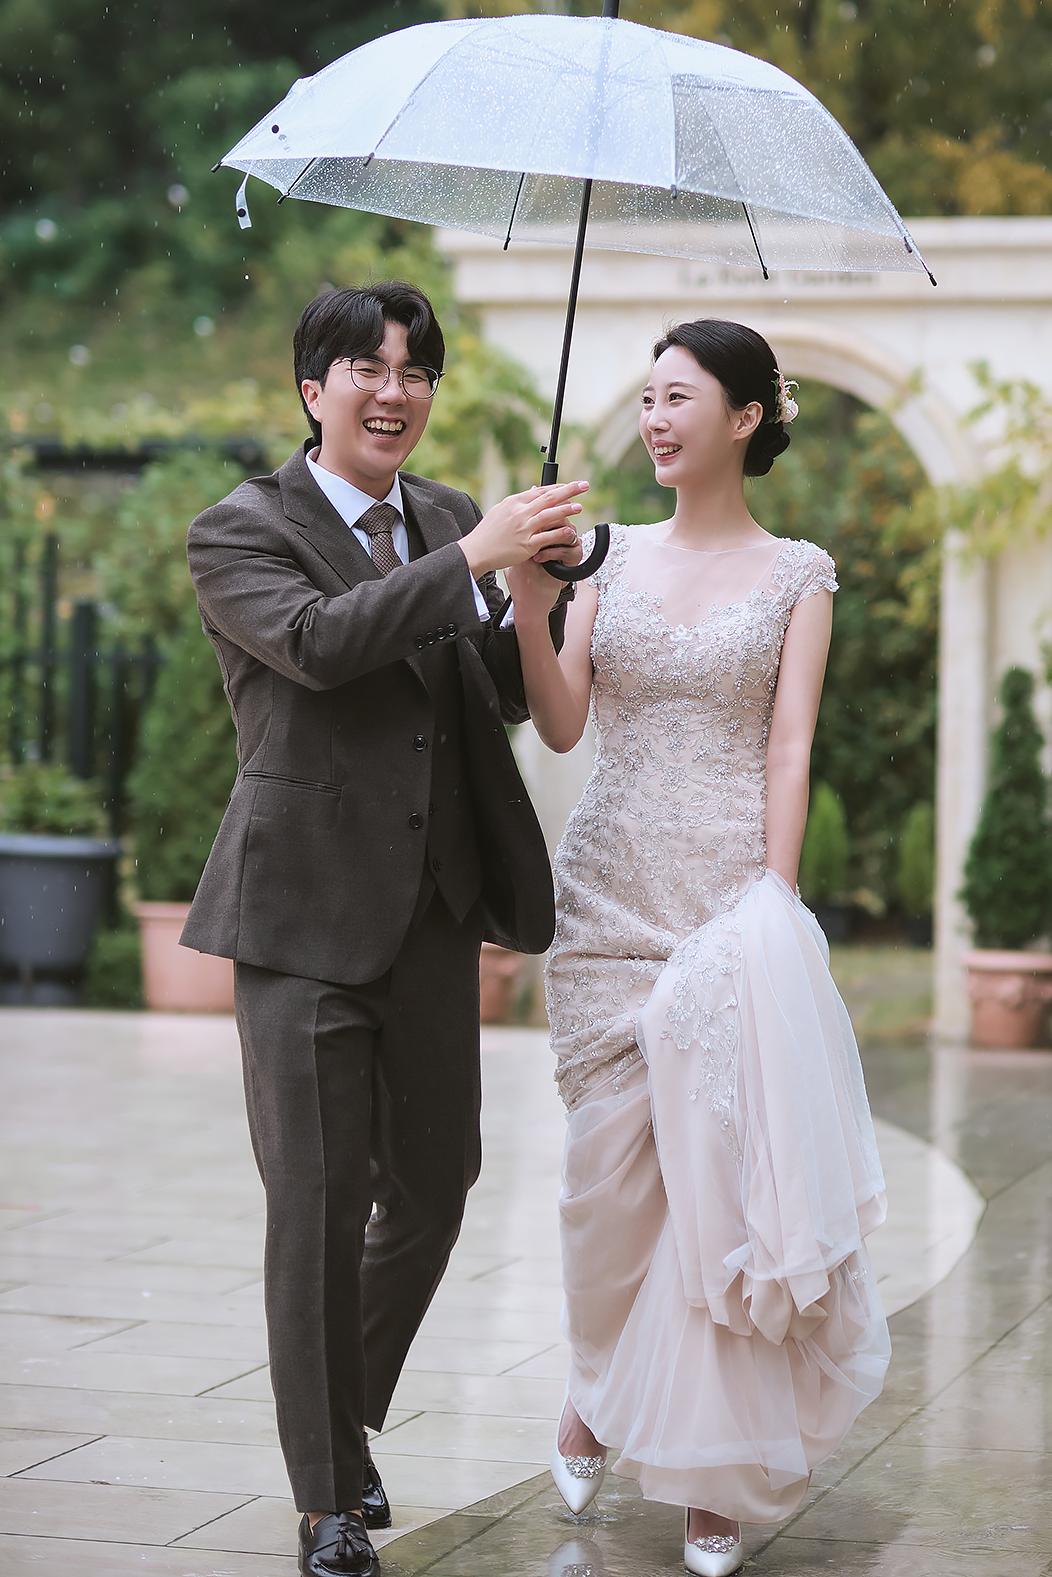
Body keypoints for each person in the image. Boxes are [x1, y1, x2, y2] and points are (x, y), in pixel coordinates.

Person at [181, 279, 585, 1577]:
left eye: (416, 370)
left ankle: (336, 1411)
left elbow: (493, 701)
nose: (394, 390)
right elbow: (319, 644)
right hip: (299, 915)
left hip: (431, 913)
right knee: (314, 1205)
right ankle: (326, 1502)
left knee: (434, 1187)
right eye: (367, 366)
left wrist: (533, 589)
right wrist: (468, 563)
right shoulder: (241, 530)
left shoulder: (454, 517)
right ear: (314, 389)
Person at [505, 319, 891, 1577]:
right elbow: (562, 725)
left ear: (744, 417)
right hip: (607, 898)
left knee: (716, 1193)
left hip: (727, 900)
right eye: (648, 399)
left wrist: (773, 902)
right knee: (607, 1188)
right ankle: (594, 1386)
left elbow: (790, 743)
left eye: (680, 398)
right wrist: (531, 603)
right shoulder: (605, 555)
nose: (656, 420)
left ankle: (710, 1477)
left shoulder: (799, 574)